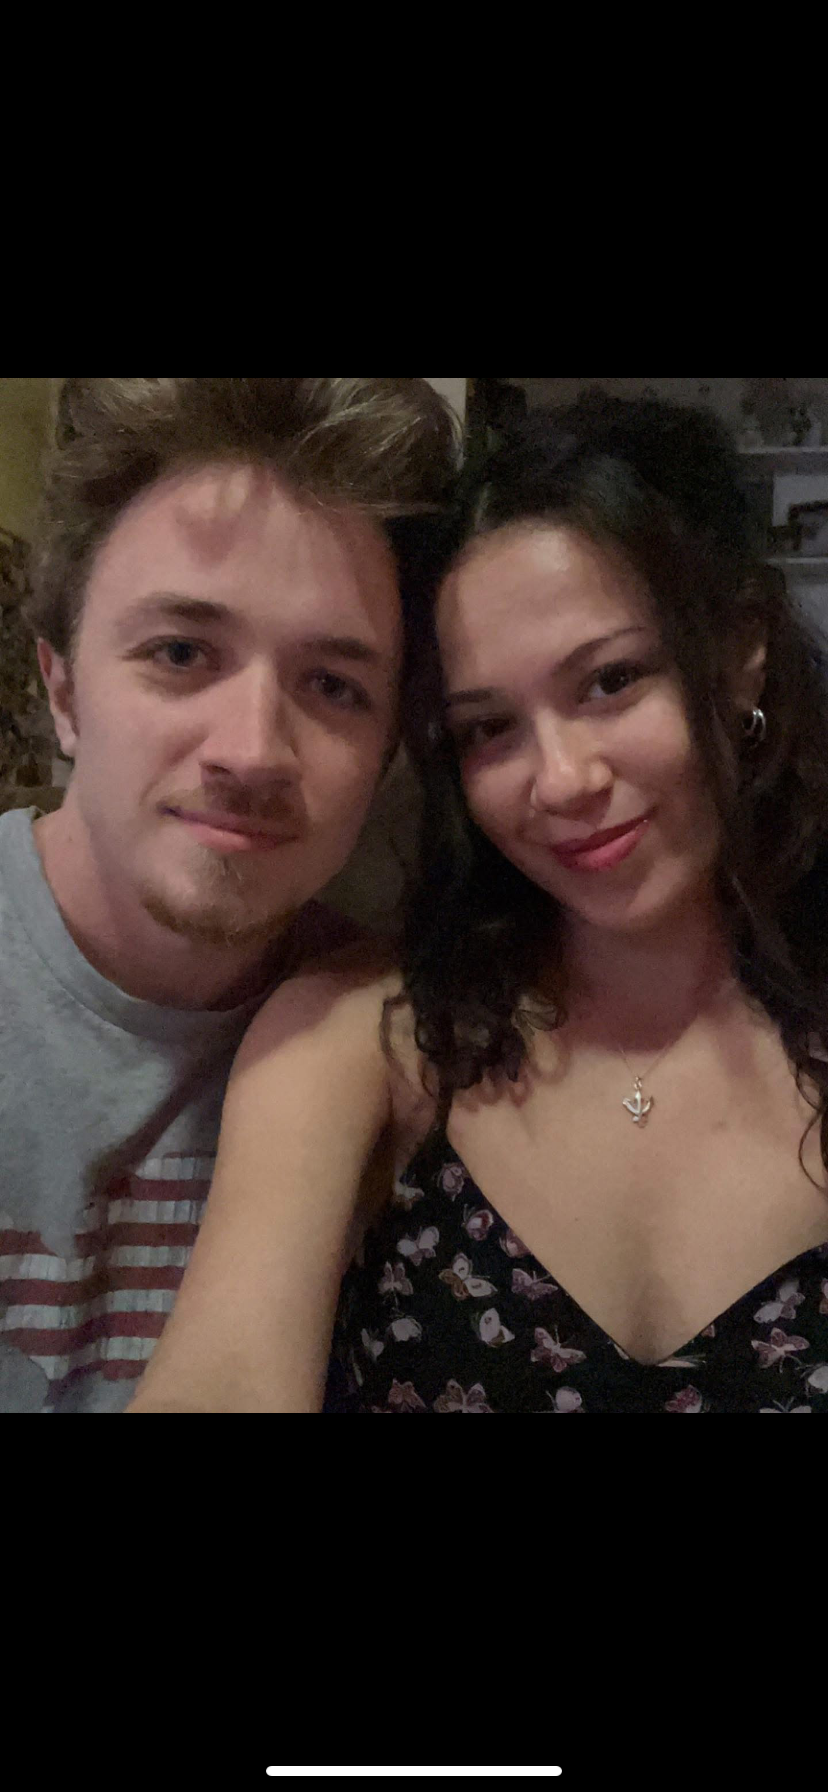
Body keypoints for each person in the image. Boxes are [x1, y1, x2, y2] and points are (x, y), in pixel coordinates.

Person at [126, 393, 828, 1415]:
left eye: (611, 681)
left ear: (738, 655)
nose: (563, 780)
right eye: (489, 730)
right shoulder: (366, 1038)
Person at [0, 376, 457, 1414]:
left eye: (333, 686)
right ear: (62, 689)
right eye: (180, 653)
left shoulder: (402, 1040)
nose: (253, 751)